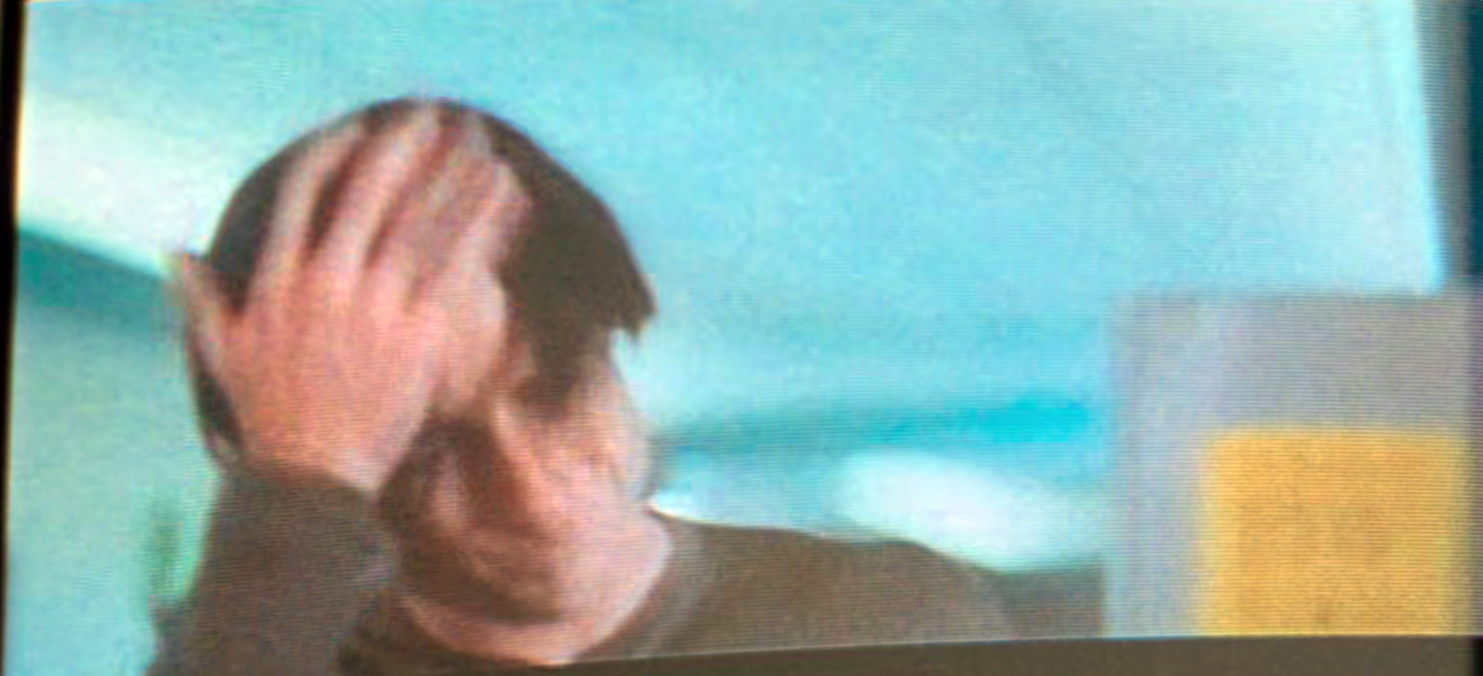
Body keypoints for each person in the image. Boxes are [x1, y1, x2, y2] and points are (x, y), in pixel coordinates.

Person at [151, 98, 1014, 676]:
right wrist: (301, 477)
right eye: (427, 454)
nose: (534, 497)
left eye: (553, 392)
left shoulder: (889, 617)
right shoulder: (279, 645)